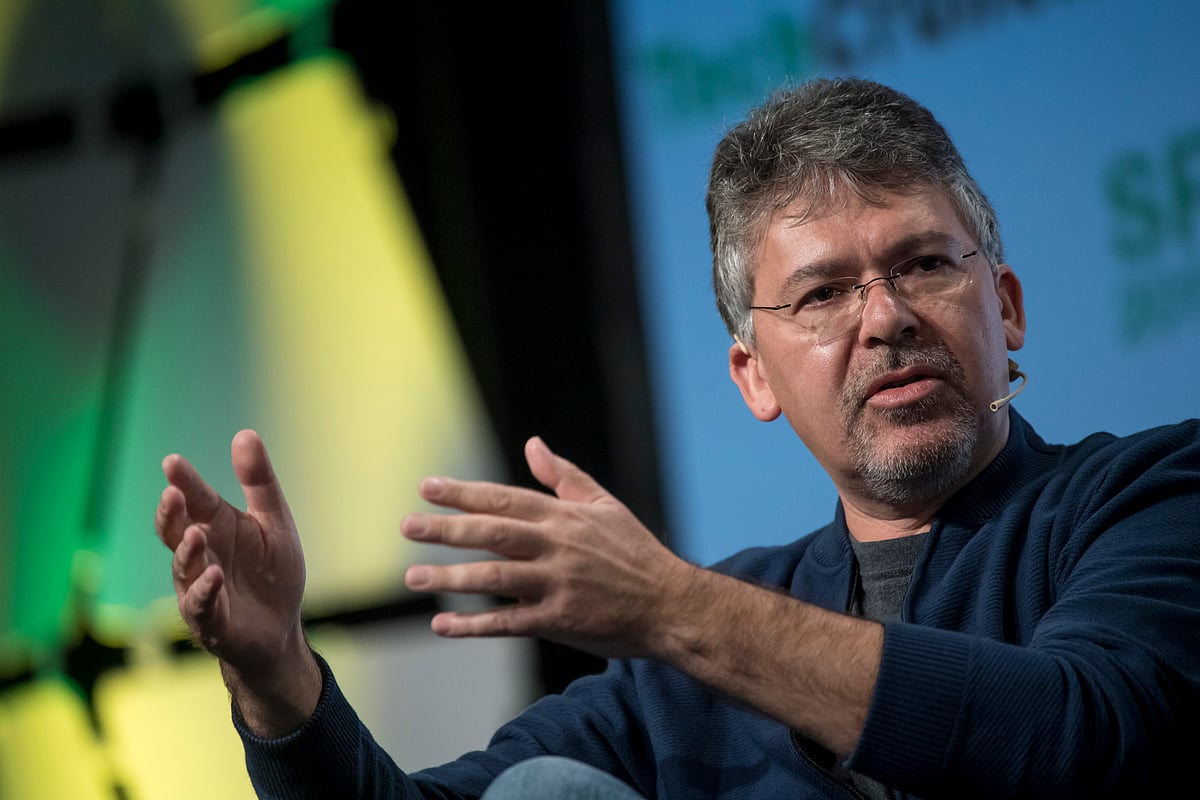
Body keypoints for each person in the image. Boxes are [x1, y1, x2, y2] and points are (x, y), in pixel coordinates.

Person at [154, 77, 1200, 799]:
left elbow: (1083, 732)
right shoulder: (683, 670)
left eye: (925, 264)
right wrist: (278, 677)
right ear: (753, 375)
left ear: (1005, 306)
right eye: (825, 292)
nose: (885, 317)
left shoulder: (1146, 492)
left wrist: (670, 604)